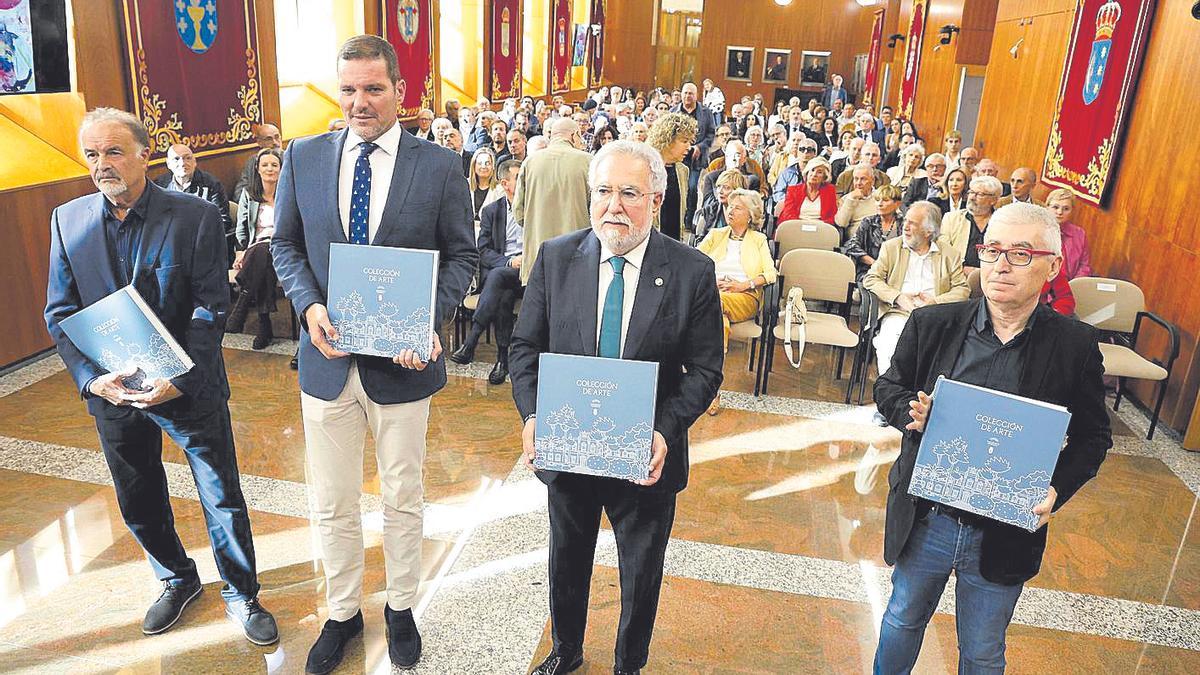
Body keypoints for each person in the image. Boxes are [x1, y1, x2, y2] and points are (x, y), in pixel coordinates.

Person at [269, 35, 477, 674]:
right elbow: (285, 246)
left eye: (374, 89)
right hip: (327, 359)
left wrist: (427, 321)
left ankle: (401, 606)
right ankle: (341, 613)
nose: (360, 102)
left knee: (403, 495)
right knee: (331, 500)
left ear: (399, 92)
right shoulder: (303, 157)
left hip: (402, 366)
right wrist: (309, 306)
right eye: (349, 89)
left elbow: (463, 256)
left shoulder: (438, 166)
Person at [44, 108, 278, 645]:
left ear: (144, 154)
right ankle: (176, 577)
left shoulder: (194, 215)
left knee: (220, 495)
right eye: (92, 154)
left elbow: (210, 305)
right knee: (137, 495)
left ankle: (242, 592)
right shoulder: (67, 220)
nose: (102, 164)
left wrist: (181, 375)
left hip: (187, 387)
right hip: (114, 393)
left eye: (114, 151)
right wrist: (91, 380)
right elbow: (60, 312)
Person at [510, 140, 724, 675]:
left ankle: (629, 663)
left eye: (630, 193)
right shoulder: (556, 258)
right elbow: (524, 348)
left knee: (641, 570)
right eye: (603, 191)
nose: (614, 206)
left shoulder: (691, 271)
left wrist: (665, 431)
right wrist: (533, 416)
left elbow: (705, 370)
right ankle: (566, 651)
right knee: (567, 560)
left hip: (644, 455)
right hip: (569, 448)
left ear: (656, 199)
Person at [872, 202, 1111, 674]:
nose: (1001, 265)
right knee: (901, 619)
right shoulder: (933, 323)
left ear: (1053, 267)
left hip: (1004, 527)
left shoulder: (1074, 344)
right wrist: (910, 412)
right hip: (928, 516)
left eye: (1020, 254)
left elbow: (1093, 437)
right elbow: (889, 387)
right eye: (992, 250)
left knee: (982, 650)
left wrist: (1056, 490)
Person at [863, 200, 969, 379]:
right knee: (890, 346)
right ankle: (889, 390)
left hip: (936, 316)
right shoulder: (892, 248)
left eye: (912, 223)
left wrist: (935, 302)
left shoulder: (950, 254)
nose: (905, 227)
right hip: (899, 312)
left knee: (940, 355)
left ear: (929, 231)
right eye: (906, 221)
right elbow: (871, 279)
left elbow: (962, 289)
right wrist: (898, 297)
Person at [697, 188, 777, 399]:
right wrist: (711, 282)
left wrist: (743, 285)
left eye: (738, 208)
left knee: (708, 306)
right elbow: (693, 263)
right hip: (714, 293)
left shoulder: (759, 239)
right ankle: (713, 387)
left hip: (744, 296)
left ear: (750, 215)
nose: (730, 211)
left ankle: (698, 377)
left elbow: (771, 274)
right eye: (729, 207)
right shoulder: (715, 234)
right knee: (719, 319)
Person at [450, 160, 524, 383]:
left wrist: (524, 260)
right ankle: (502, 360)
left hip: (528, 274)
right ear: (505, 183)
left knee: (498, 277)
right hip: (505, 273)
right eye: (519, 177)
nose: (525, 181)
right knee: (503, 294)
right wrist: (509, 262)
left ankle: (471, 341)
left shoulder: (536, 208)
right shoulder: (492, 211)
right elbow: (482, 251)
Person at [514, 117, 593, 284]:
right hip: (577, 251)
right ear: (574, 135)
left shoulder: (530, 161)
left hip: (538, 254)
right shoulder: (588, 161)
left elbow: (518, 213)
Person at [229, 147, 284, 349]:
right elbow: (241, 227)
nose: (270, 169)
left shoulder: (288, 192)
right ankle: (264, 327)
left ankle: (244, 303)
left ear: (281, 169)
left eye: (274, 165)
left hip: (283, 246)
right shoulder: (249, 194)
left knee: (262, 252)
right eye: (265, 165)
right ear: (258, 169)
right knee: (262, 258)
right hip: (257, 249)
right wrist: (240, 252)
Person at [153, 143, 234, 264]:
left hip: (203, 245)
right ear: (168, 164)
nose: (182, 163)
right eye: (176, 159)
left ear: (195, 162)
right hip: (170, 246)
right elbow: (155, 220)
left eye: (187, 158)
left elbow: (222, 221)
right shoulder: (159, 185)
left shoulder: (211, 184)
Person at [672, 82, 716, 230]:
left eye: (690, 93)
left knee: (691, 188)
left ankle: (689, 221)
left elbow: (711, 135)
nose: (687, 96)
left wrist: (699, 147)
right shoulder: (673, 112)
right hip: (678, 158)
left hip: (696, 158)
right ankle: (678, 218)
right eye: (685, 93)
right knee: (679, 189)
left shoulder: (706, 112)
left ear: (696, 95)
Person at [647, 112, 696, 243]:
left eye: (690, 142)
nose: (689, 147)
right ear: (667, 139)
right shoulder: (645, 167)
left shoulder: (683, 170)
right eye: (684, 141)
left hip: (673, 242)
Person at [844, 183, 904, 281]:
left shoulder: (904, 224)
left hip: (897, 272)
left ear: (897, 204)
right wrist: (874, 263)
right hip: (869, 270)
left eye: (885, 200)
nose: (880, 204)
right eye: (877, 200)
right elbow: (852, 245)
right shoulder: (868, 222)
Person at [941, 175, 1003, 268]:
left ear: (993, 200)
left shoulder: (1002, 222)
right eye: (971, 192)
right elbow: (944, 254)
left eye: (980, 194)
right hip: (959, 273)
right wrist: (962, 269)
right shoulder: (951, 219)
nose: (972, 197)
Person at [1045, 188, 1092, 280]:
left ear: (1072, 211)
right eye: (1055, 207)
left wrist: (1074, 284)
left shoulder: (1079, 234)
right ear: (1047, 207)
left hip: (1071, 284)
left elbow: (1084, 266)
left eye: (1066, 209)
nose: (1060, 212)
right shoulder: (1037, 230)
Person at [778, 157, 838, 225]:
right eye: (812, 170)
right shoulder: (793, 190)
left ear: (824, 178)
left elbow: (832, 216)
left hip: (820, 227)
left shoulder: (830, 190)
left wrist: (819, 226)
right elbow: (788, 215)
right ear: (807, 173)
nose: (814, 174)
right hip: (796, 226)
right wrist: (802, 226)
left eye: (819, 172)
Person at [233, 122, 283, 202]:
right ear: (259, 142)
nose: (275, 142)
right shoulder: (252, 162)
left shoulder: (290, 159)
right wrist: (257, 203)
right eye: (269, 139)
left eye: (277, 137)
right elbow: (239, 193)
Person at [695, 169, 747, 239]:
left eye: (726, 188)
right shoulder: (708, 212)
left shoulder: (748, 214)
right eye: (719, 186)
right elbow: (698, 241)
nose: (720, 191)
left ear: (737, 191)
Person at [835, 164, 880, 241]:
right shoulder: (846, 199)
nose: (858, 183)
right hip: (856, 241)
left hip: (878, 238)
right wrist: (851, 200)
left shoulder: (880, 196)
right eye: (856, 179)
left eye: (863, 179)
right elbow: (841, 223)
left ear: (872, 181)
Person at [468, 147, 500, 220]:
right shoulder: (464, 185)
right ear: (474, 166)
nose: (483, 166)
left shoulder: (500, 190)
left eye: (487, 163)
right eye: (479, 163)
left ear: (493, 166)